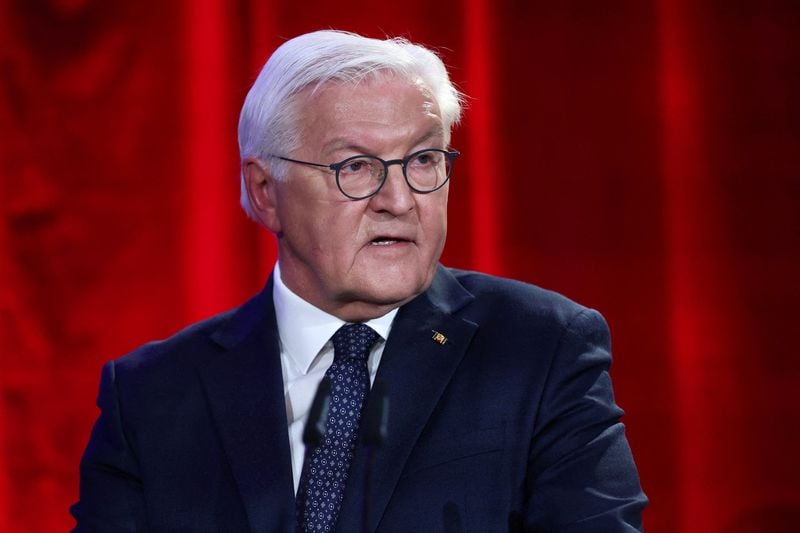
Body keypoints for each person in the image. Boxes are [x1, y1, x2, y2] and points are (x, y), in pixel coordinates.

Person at [71, 30, 647, 532]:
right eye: (356, 166)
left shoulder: (540, 351)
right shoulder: (151, 396)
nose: (399, 200)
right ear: (266, 191)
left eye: (423, 160)